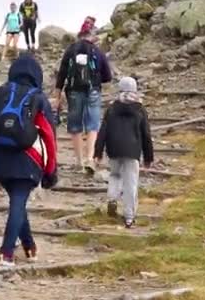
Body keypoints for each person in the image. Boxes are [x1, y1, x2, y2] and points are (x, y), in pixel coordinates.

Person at [0, 53, 58, 266]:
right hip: (28, 160)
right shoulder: (39, 98)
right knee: (18, 200)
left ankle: (29, 247)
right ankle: (7, 253)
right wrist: (51, 171)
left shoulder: (1, 93)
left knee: (18, 201)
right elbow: (49, 137)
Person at [52, 18, 113, 174]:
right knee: (92, 124)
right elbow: (108, 76)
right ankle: (90, 158)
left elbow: (62, 74)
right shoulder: (97, 51)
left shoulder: (70, 50)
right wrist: (97, 79)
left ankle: (79, 161)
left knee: (75, 125)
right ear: (91, 34)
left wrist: (57, 95)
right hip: (93, 89)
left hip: (73, 90)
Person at [94, 77, 153, 228]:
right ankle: (129, 217)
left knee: (115, 175)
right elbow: (146, 134)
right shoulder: (140, 109)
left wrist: (98, 151)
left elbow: (103, 131)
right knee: (131, 183)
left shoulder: (112, 108)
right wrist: (148, 157)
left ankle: (113, 197)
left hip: (113, 149)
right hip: (132, 151)